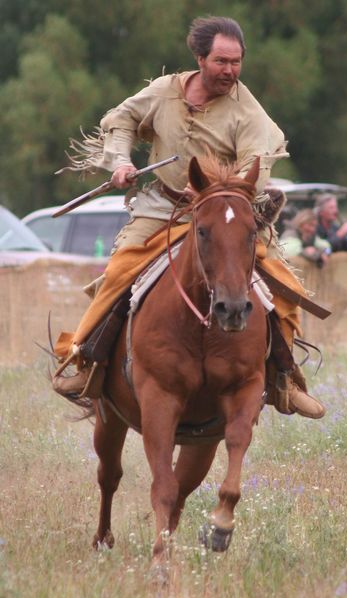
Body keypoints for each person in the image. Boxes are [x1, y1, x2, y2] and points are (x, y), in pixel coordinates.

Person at [52, 16, 324, 419]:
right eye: (221, 61)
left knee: (278, 285)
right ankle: (86, 361)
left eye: (236, 62)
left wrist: (224, 191)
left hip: (222, 212)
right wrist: (122, 162)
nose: (230, 70)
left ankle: (285, 377)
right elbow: (121, 120)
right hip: (164, 208)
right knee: (120, 272)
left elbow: (257, 164)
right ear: (199, 58)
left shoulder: (248, 111)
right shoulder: (163, 93)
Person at [314, 193, 347, 259]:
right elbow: (325, 248)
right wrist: (341, 233)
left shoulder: (335, 228)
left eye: (335, 207)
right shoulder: (313, 229)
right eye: (331, 208)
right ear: (321, 212)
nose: (335, 211)